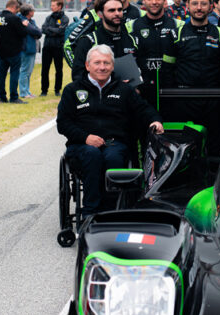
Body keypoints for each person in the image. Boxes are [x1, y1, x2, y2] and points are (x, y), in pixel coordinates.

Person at [57, 45, 163, 218]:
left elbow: (144, 109)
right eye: (97, 63)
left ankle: (110, 210)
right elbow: (63, 123)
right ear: (87, 65)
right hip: (82, 145)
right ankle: (90, 211)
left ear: (112, 66)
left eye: (106, 63)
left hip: (114, 143)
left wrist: (155, 120)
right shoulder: (72, 90)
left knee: (113, 157)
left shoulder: (124, 90)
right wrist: (86, 137)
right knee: (92, 155)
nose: (102, 67)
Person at [161, 0, 220, 150]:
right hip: (184, 100)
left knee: (213, 147)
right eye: (195, 3)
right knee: (186, 150)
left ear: (211, 6)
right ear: (188, 6)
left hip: (213, 100)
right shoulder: (176, 35)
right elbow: (166, 71)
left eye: (204, 4)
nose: (199, 8)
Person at [64, 0, 142, 65]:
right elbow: (68, 45)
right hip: (102, 74)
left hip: (131, 75)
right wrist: (82, 73)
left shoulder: (140, 14)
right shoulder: (95, 14)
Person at [70, 0, 138, 84]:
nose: (117, 13)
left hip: (129, 95)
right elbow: (78, 77)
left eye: (120, 10)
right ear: (100, 14)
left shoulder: (132, 39)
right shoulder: (88, 41)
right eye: (112, 10)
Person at [130, 0, 180, 105]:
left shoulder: (178, 25)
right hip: (141, 90)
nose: (154, 2)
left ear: (164, 1)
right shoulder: (131, 26)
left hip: (171, 89)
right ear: (144, 0)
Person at [0, 0, 29, 104]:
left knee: (2, 74)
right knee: (14, 74)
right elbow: (23, 33)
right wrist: (24, 25)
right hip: (14, 51)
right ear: (14, 7)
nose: (17, 12)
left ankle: (2, 97)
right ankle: (13, 97)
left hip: (2, 51)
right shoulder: (14, 18)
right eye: (17, 10)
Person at [41, 0, 69, 97]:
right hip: (47, 47)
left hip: (58, 47)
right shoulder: (48, 18)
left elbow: (61, 31)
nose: (51, 7)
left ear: (59, 6)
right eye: (51, 5)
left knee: (58, 69)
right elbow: (43, 29)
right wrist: (54, 30)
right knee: (45, 69)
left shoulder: (64, 18)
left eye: (53, 5)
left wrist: (50, 30)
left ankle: (57, 89)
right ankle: (44, 90)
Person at [18, 4, 41, 99]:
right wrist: (36, 30)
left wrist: (36, 30)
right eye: (32, 11)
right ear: (29, 12)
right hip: (26, 49)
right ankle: (23, 92)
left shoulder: (31, 21)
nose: (34, 12)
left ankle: (27, 90)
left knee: (29, 71)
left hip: (31, 49)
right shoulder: (21, 20)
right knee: (24, 71)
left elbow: (39, 32)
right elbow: (34, 31)